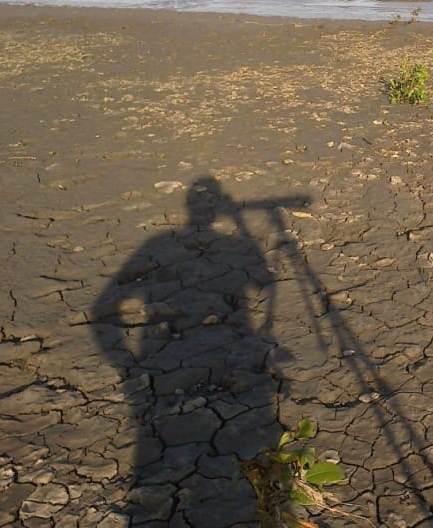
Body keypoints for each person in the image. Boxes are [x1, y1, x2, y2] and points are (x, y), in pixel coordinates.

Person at [91, 177, 291, 526]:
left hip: (161, 363)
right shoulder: (220, 243)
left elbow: (103, 310)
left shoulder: (160, 241)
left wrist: (127, 367)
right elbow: (264, 282)